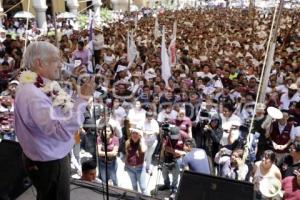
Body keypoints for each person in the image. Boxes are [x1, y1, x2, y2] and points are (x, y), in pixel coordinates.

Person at [14, 41, 94, 200]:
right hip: (50, 162)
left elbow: (60, 107)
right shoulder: (33, 94)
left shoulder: (37, 82)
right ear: (39, 63)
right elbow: (60, 130)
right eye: (55, 60)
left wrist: (73, 76)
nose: (60, 64)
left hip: (45, 156)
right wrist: (82, 99)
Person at [124, 127, 147, 194]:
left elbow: (143, 150)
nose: (134, 135)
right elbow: (127, 154)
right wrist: (125, 164)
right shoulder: (127, 142)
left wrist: (142, 139)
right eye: (133, 133)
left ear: (140, 135)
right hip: (129, 168)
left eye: (137, 133)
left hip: (140, 168)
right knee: (134, 186)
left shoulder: (142, 143)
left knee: (143, 187)